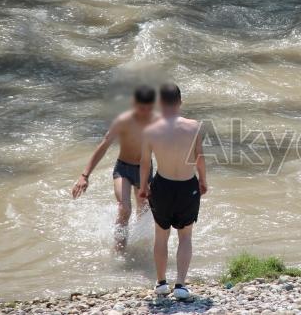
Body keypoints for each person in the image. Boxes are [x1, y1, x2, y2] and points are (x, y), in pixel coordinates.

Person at [139, 83, 207, 300]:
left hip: (162, 186)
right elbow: (199, 157)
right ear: (180, 102)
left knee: (161, 235)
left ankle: (161, 283)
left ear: (160, 103)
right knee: (185, 236)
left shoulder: (150, 129)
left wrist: (143, 186)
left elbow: (145, 163)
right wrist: (203, 181)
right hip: (187, 186)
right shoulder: (194, 126)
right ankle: (180, 285)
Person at [71, 85, 158, 250]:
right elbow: (104, 146)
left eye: (148, 109)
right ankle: (119, 253)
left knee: (144, 210)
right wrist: (84, 175)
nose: (144, 113)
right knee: (125, 209)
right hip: (123, 169)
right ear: (134, 104)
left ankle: (140, 248)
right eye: (141, 108)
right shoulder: (123, 121)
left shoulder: (157, 122)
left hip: (145, 170)